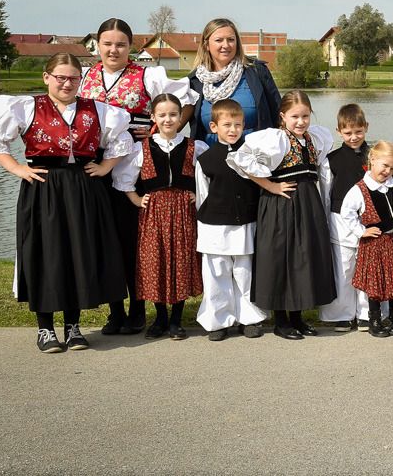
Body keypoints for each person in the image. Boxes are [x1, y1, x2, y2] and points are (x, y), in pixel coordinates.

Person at [0, 53, 133, 352]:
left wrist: (105, 167)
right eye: (60, 77)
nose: (67, 83)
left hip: (83, 187)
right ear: (47, 77)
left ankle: (73, 327)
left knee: (77, 253)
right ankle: (45, 328)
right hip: (43, 187)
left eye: (73, 78)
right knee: (45, 252)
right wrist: (17, 168)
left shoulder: (98, 110)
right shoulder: (27, 107)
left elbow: (121, 142)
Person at [79, 17, 197, 336]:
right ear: (97, 45)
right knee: (106, 239)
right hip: (95, 166)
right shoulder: (85, 76)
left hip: (136, 166)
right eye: (107, 43)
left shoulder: (147, 75)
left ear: (130, 46)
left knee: (135, 240)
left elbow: (185, 102)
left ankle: (137, 310)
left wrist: (160, 131)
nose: (113, 50)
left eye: (121, 44)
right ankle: (115, 310)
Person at [228, 90, 336, 340]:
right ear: (282, 116)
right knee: (280, 257)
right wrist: (271, 186)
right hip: (280, 204)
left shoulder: (314, 138)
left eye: (305, 116)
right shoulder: (274, 139)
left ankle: (297, 317)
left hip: (308, 204)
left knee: (303, 257)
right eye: (294, 116)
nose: (301, 121)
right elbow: (241, 161)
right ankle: (281, 321)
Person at [112, 94, 207, 340]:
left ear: (181, 117)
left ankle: (176, 319)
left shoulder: (194, 147)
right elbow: (123, 179)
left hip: (183, 212)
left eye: (173, 114)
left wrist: (198, 194)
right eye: (162, 115)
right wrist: (136, 199)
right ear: (153, 117)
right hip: (153, 213)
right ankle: (160, 317)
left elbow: (209, 176)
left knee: (180, 261)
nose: (168, 119)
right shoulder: (141, 148)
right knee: (155, 261)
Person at [193, 98, 267, 341]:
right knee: (216, 273)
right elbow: (202, 194)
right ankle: (218, 320)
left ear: (244, 126)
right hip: (214, 225)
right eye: (227, 125)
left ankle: (249, 318)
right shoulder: (205, 159)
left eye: (238, 125)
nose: (233, 130)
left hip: (245, 222)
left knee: (245, 272)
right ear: (214, 127)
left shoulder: (251, 156)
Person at [344, 142, 393, 338]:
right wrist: (361, 231)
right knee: (375, 282)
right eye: (385, 166)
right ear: (372, 159)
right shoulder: (360, 189)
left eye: (392, 168)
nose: (388, 172)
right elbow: (347, 212)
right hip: (374, 243)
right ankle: (374, 321)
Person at [188, 18, 282, 145]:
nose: (226, 45)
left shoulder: (256, 71)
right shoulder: (194, 82)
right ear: (206, 45)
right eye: (219, 40)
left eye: (231, 40)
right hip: (211, 154)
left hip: (256, 153)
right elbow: (172, 122)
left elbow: (279, 115)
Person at [320, 103, 371, 331]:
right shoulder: (331, 160)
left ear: (366, 127)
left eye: (358, 131)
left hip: (369, 221)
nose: (353, 137)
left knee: (368, 267)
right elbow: (326, 194)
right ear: (339, 131)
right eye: (348, 132)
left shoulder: (375, 156)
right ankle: (342, 314)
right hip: (340, 221)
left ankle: (367, 313)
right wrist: (325, 221)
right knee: (344, 268)